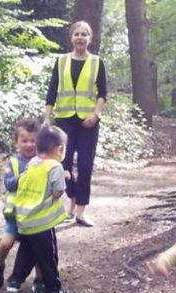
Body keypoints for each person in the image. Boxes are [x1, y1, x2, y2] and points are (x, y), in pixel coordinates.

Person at [43, 20, 107, 228]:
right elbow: (52, 90)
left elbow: (103, 93)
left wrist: (96, 115)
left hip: (88, 121)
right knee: (64, 163)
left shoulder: (97, 62)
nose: (80, 37)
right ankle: (71, 202)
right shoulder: (61, 61)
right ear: (71, 38)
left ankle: (81, 211)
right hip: (64, 119)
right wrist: (47, 118)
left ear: (90, 38)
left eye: (84, 34)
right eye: (77, 34)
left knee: (86, 165)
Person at [4, 126, 71, 293]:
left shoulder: (33, 162)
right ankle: (53, 290)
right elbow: (58, 191)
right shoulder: (54, 166)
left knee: (27, 253)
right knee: (48, 256)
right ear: (60, 149)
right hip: (42, 223)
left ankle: (14, 281)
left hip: (25, 219)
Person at [0, 118, 45, 293]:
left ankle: (40, 279)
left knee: (37, 248)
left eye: (33, 140)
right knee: (7, 243)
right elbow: (8, 184)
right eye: (24, 140)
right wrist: (24, 175)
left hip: (35, 215)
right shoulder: (13, 162)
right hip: (15, 215)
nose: (29, 144)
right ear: (17, 142)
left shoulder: (43, 161)